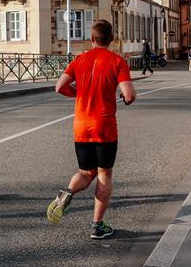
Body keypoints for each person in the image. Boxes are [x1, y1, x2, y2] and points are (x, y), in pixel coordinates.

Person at [46, 20, 136, 239]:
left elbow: (59, 87)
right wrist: (124, 96)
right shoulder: (117, 61)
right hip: (104, 127)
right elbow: (130, 95)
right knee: (104, 174)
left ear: (92, 39)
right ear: (111, 39)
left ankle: (67, 193)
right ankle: (97, 225)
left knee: (86, 172)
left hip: (81, 126)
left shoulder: (79, 60)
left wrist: (79, 93)